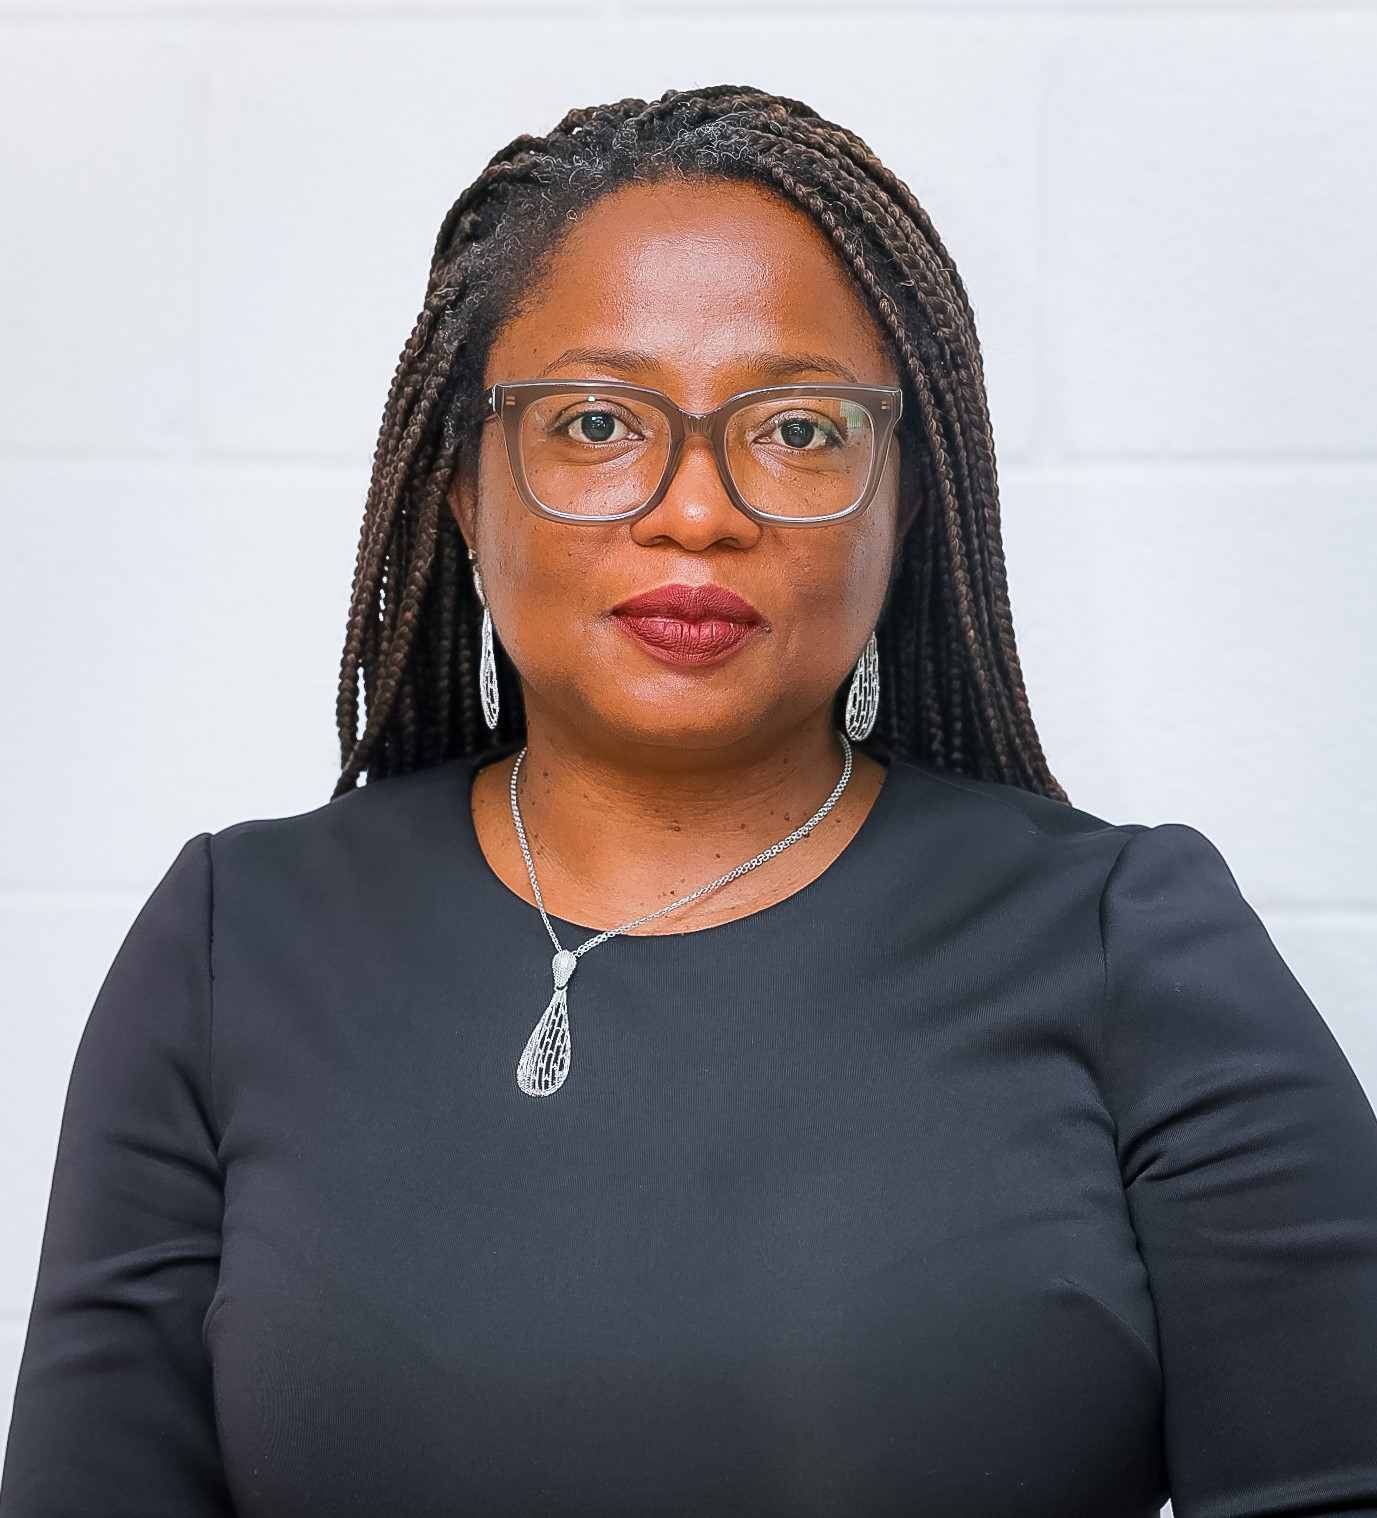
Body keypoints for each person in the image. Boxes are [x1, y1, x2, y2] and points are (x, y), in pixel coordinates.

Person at [2, 84, 1375, 1517]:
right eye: (598, 420)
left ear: (907, 499)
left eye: (799, 429)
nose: (699, 510)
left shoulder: (1127, 942)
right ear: (463, 487)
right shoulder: (235, 944)